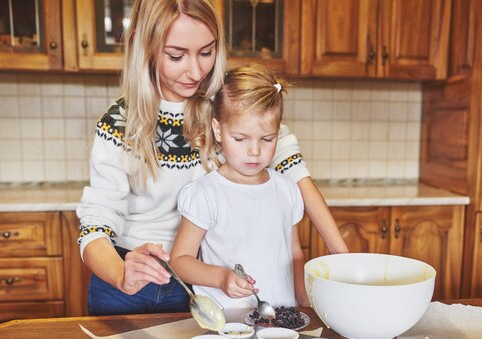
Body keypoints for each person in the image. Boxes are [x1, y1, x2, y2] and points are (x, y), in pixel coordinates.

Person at [76, 0, 347, 315]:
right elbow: (95, 224)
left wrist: (342, 258)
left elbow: (295, 172)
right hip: (125, 287)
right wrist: (121, 274)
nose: (195, 71)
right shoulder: (119, 122)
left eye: (206, 53)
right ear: (143, 45)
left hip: (196, 288)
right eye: (176, 56)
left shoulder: (225, 106)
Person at [170, 64, 308, 309]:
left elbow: (295, 255)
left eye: (267, 139)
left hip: (282, 322)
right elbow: (180, 261)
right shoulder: (205, 194)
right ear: (218, 131)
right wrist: (221, 278)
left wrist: (305, 304)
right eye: (241, 138)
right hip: (226, 324)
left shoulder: (288, 190)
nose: (254, 151)